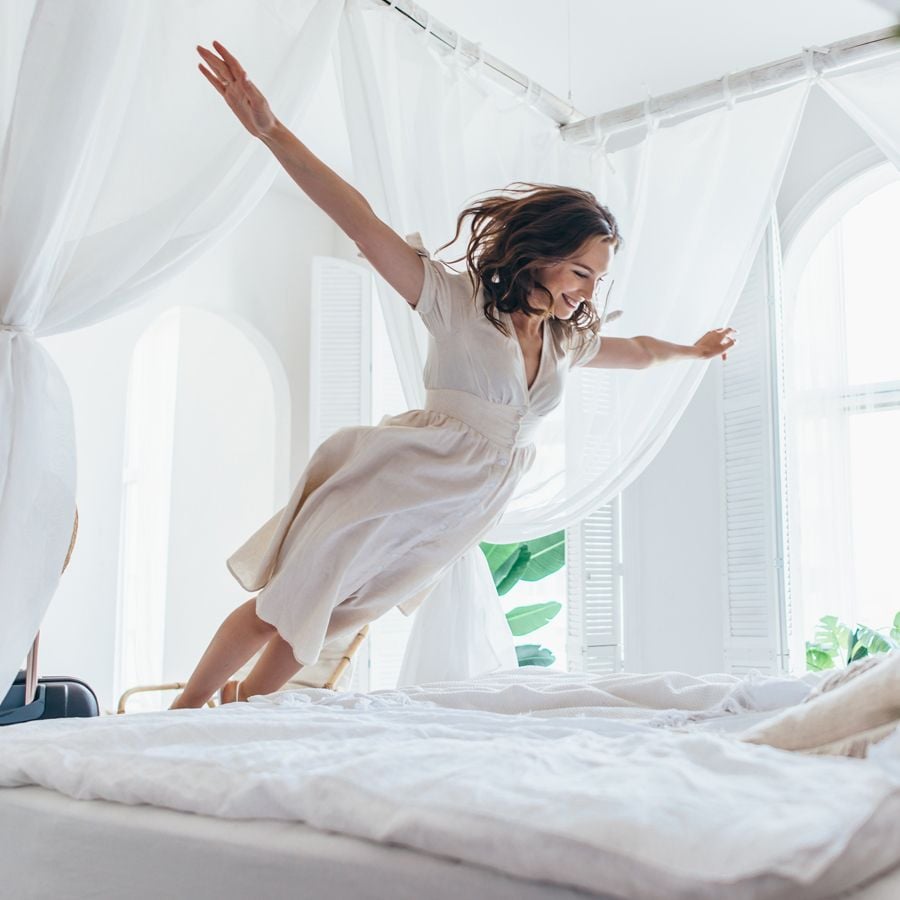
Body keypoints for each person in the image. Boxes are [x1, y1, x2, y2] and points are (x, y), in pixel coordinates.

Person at [170, 42, 736, 709]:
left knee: (332, 614)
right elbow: (359, 218)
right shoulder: (457, 303)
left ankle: (243, 713)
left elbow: (636, 350)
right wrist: (271, 131)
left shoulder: (563, 342)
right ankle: (185, 709)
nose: (587, 292)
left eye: (598, 279)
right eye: (580, 272)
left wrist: (692, 351)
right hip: (394, 482)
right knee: (287, 603)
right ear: (542, 255)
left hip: (450, 512)